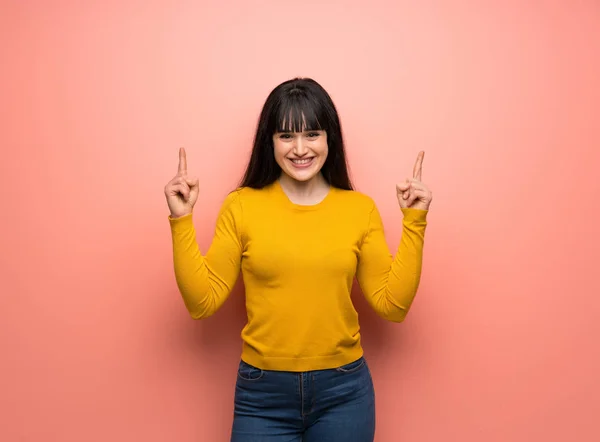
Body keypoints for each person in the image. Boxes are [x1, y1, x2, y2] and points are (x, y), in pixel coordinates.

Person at [164, 77, 432, 442]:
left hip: (343, 392)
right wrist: (181, 221)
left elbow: (392, 306)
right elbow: (202, 302)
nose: (300, 148)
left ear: (329, 139)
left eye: (312, 134)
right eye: (286, 136)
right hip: (262, 396)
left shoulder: (359, 209)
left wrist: (414, 221)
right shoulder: (242, 206)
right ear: (269, 142)